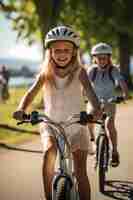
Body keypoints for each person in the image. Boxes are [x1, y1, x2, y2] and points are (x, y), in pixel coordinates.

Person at [13, 25, 101, 200]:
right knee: (49, 153)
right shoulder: (46, 73)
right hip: (51, 125)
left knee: (80, 171)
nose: (61, 54)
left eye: (66, 50)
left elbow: (91, 94)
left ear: (74, 52)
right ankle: (48, 196)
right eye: (56, 50)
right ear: (50, 52)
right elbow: (30, 93)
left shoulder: (80, 72)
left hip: (77, 125)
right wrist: (21, 109)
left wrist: (96, 111)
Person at [86, 42, 128, 167]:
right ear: (95, 59)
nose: (102, 60)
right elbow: (86, 86)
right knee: (89, 119)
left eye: (104, 58)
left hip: (110, 100)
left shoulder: (113, 70)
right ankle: (93, 140)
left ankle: (114, 151)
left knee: (110, 124)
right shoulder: (92, 71)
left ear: (109, 58)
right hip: (95, 101)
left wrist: (125, 95)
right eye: (99, 58)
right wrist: (82, 96)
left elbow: (122, 83)